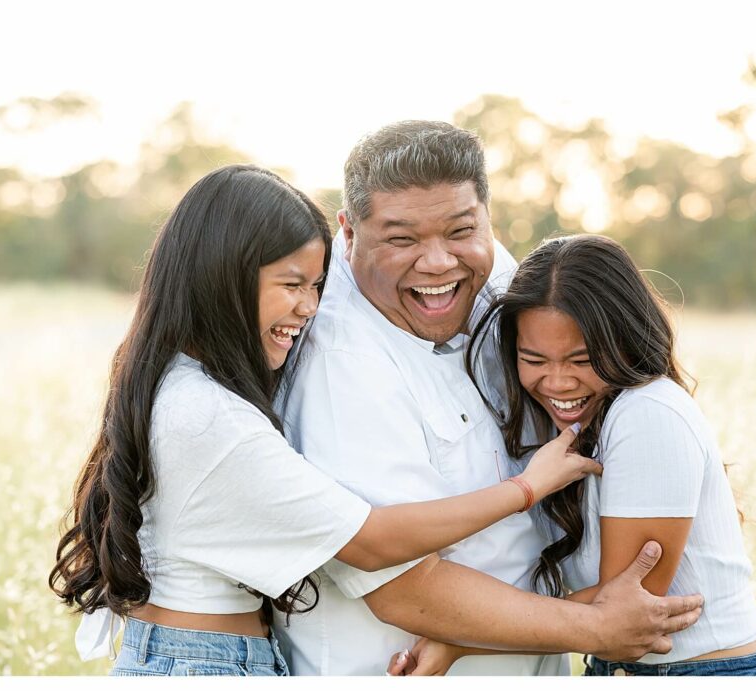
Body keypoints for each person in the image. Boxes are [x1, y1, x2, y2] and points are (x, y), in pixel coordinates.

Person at [48, 164, 605, 676]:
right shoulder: (205, 416)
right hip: (204, 663)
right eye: (292, 285)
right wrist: (529, 486)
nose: (310, 307)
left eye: (317, 286)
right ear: (224, 277)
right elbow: (371, 541)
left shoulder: (184, 381)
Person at [271, 121, 704, 676]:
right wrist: (594, 627)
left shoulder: (496, 275)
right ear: (348, 233)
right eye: (402, 240)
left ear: (486, 218)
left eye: (460, 231)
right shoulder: (339, 363)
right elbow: (401, 588)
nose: (437, 263)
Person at [433, 233, 756, 676]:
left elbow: (621, 607)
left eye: (581, 359)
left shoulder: (647, 412)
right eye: (534, 359)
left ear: (626, 340)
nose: (557, 382)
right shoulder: (573, 428)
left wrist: (461, 642)